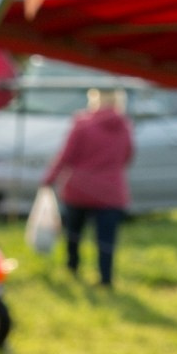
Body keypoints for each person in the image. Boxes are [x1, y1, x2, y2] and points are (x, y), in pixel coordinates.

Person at [42, 87, 134, 287]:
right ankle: (106, 278)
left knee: (74, 234)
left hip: (79, 189)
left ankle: (72, 268)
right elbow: (128, 156)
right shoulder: (124, 125)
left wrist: (49, 178)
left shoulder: (82, 123)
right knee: (106, 240)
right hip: (111, 191)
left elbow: (66, 155)